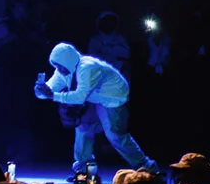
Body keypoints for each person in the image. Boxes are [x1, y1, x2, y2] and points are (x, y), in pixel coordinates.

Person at [36, 42, 155, 171]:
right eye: (56, 66)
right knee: (83, 127)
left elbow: (80, 96)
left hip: (113, 98)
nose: (58, 69)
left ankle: (146, 167)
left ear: (67, 61)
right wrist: (41, 90)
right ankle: (84, 168)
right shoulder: (64, 70)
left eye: (59, 66)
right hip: (95, 97)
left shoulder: (87, 67)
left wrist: (52, 95)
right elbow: (49, 90)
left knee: (115, 135)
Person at [88, 10, 132, 80]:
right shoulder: (95, 40)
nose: (108, 25)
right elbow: (95, 59)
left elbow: (126, 56)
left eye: (111, 22)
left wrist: (107, 51)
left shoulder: (121, 39)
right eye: (106, 22)